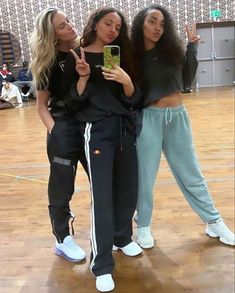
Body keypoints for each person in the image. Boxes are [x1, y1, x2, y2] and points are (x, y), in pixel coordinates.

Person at [131, 5, 235, 249]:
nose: (158, 27)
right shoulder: (133, 57)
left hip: (177, 117)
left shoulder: (171, 51)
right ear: (141, 25)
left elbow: (187, 81)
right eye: (152, 21)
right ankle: (143, 225)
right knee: (145, 177)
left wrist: (192, 47)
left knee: (192, 174)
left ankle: (213, 221)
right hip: (149, 119)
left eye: (162, 23)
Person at [68, 6, 142, 292]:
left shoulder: (121, 56)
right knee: (102, 196)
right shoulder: (79, 54)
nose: (113, 30)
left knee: (128, 190)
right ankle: (101, 263)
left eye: (118, 27)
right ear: (96, 24)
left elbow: (134, 100)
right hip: (97, 131)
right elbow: (72, 102)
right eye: (108, 24)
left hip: (125, 129)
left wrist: (126, 82)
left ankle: (122, 238)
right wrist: (83, 77)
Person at [29, 7, 88, 263]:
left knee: (105, 180)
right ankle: (62, 239)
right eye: (63, 26)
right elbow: (42, 106)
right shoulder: (47, 61)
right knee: (62, 187)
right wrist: (55, 132)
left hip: (91, 124)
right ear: (52, 35)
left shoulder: (86, 48)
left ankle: (114, 232)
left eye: (69, 21)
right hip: (63, 126)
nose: (70, 26)